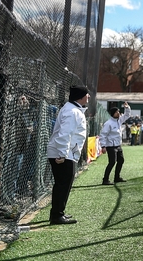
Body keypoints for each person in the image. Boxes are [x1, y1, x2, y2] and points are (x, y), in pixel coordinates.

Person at [46, 85, 89, 225]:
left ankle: (58, 213)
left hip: (64, 152)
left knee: (63, 183)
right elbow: (65, 133)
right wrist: (62, 154)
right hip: (63, 153)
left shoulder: (72, 109)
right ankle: (57, 215)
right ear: (81, 97)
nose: (88, 97)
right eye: (87, 95)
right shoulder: (72, 112)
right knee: (63, 183)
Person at [98, 102, 131, 185]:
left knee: (121, 160)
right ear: (113, 114)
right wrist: (103, 146)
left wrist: (127, 108)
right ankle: (105, 180)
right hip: (110, 146)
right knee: (112, 162)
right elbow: (103, 135)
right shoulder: (108, 123)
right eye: (117, 112)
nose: (118, 113)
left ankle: (117, 177)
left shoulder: (119, 120)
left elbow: (127, 115)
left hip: (118, 145)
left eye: (119, 111)